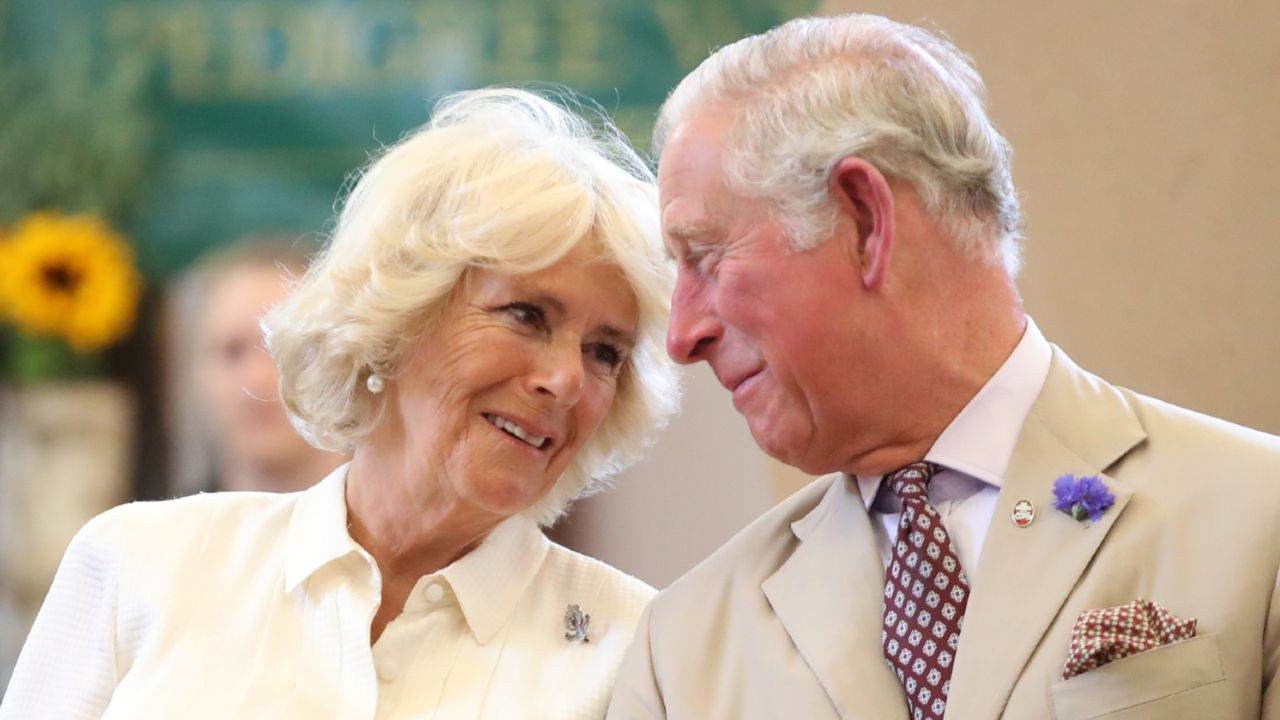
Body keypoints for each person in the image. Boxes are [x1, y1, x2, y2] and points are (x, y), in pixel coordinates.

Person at [607, 13, 1280, 720]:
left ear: (865, 221)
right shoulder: (680, 652)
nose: (682, 336)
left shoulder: (1258, 520)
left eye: (707, 259)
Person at [1, 87, 679, 719]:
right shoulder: (143, 562)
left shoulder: (638, 649)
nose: (565, 379)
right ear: (399, 318)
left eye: (605, 353)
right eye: (526, 314)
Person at [176, 236, 345, 494]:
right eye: (233, 351)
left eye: (285, 351)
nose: (258, 378)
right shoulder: (159, 531)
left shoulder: (407, 531)